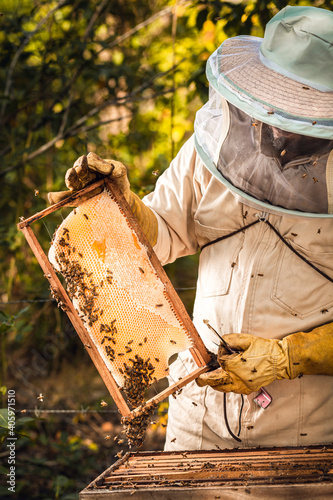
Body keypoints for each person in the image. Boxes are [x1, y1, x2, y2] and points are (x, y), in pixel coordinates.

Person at [49, 6, 333, 450]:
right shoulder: (214, 146)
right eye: (271, 106)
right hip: (196, 414)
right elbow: (161, 231)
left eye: (297, 115)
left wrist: (288, 357)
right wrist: (122, 206)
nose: (274, 131)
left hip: (304, 428)